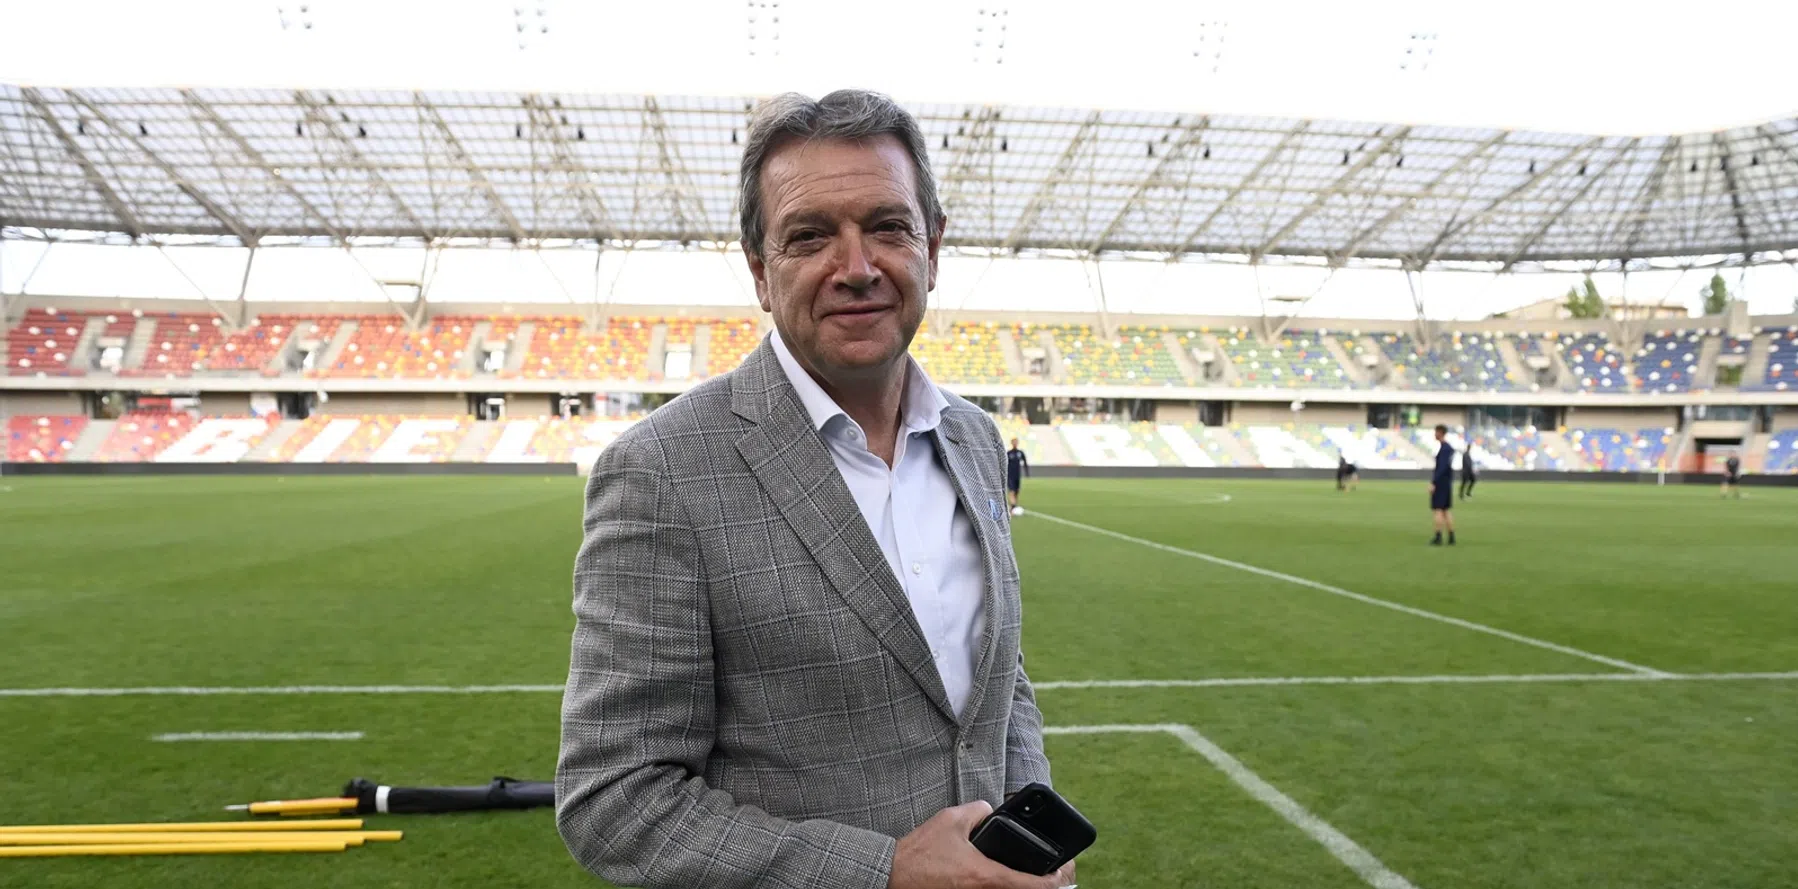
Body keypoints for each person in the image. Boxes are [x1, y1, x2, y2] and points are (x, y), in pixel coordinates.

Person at [557, 90, 1070, 889]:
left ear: (933, 249)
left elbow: (1000, 687)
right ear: (761, 271)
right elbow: (614, 799)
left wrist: (1033, 826)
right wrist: (883, 871)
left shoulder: (971, 437)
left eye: (888, 227)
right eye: (810, 236)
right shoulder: (662, 470)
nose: (857, 268)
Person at [1430, 424, 1456, 546]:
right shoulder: (1448, 448)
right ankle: (1451, 537)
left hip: (1441, 483)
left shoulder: (1445, 449)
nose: (1434, 434)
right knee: (1445, 510)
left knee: (1438, 510)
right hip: (1447, 482)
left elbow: (1441, 468)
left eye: (1436, 432)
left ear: (1440, 432)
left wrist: (1434, 483)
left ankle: (1438, 537)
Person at [1006, 437, 1030, 515]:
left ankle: (1013, 506)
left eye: (1016, 442)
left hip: (1017, 475)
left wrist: (1027, 472)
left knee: (1017, 491)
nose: (1015, 443)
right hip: (1010, 475)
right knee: (1011, 491)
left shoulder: (1020, 453)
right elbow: (1004, 464)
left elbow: (1025, 462)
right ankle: (1013, 506)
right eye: (1014, 442)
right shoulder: (1008, 453)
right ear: (1011, 443)